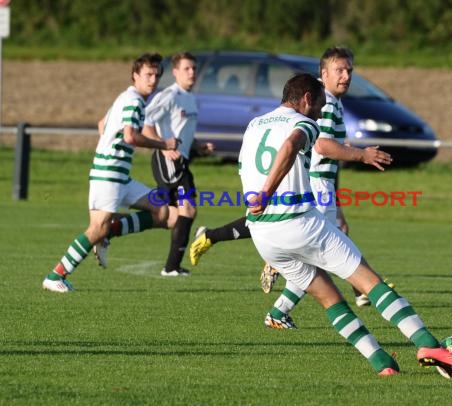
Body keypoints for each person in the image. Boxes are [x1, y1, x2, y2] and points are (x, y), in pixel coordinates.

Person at [239, 72, 452, 378]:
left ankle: (382, 363)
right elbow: (292, 145)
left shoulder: (254, 125)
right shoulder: (303, 123)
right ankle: (428, 344)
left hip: (262, 235)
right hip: (297, 222)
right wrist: (269, 191)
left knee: (329, 297)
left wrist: (261, 196)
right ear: (306, 99)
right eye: (320, 105)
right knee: (370, 282)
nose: (322, 111)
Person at [190, 47, 392, 327]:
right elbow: (321, 145)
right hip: (315, 184)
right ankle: (350, 291)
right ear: (324, 74)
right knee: (316, 252)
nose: (346, 76)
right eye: (340, 70)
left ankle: (283, 305)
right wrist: (361, 154)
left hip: (323, 185)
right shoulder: (327, 104)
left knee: (323, 247)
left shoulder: (335, 103)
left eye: (350, 71)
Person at [42, 53, 179, 293]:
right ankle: (56, 275)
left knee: (164, 212)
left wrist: (109, 144)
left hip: (119, 175)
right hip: (109, 174)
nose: (153, 79)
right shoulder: (134, 101)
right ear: (135, 76)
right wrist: (164, 145)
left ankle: (108, 235)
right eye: (148, 74)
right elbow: (130, 136)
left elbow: (101, 124)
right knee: (96, 228)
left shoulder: (125, 97)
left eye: (157, 74)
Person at [142, 51, 214, 277]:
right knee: (183, 211)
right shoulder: (170, 95)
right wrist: (164, 146)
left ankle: (172, 266)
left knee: (175, 214)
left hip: (181, 161)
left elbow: (183, 134)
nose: (192, 72)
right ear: (175, 72)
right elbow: (146, 123)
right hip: (167, 161)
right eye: (186, 68)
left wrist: (198, 146)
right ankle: (171, 266)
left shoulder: (190, 99)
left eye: (194, 68)